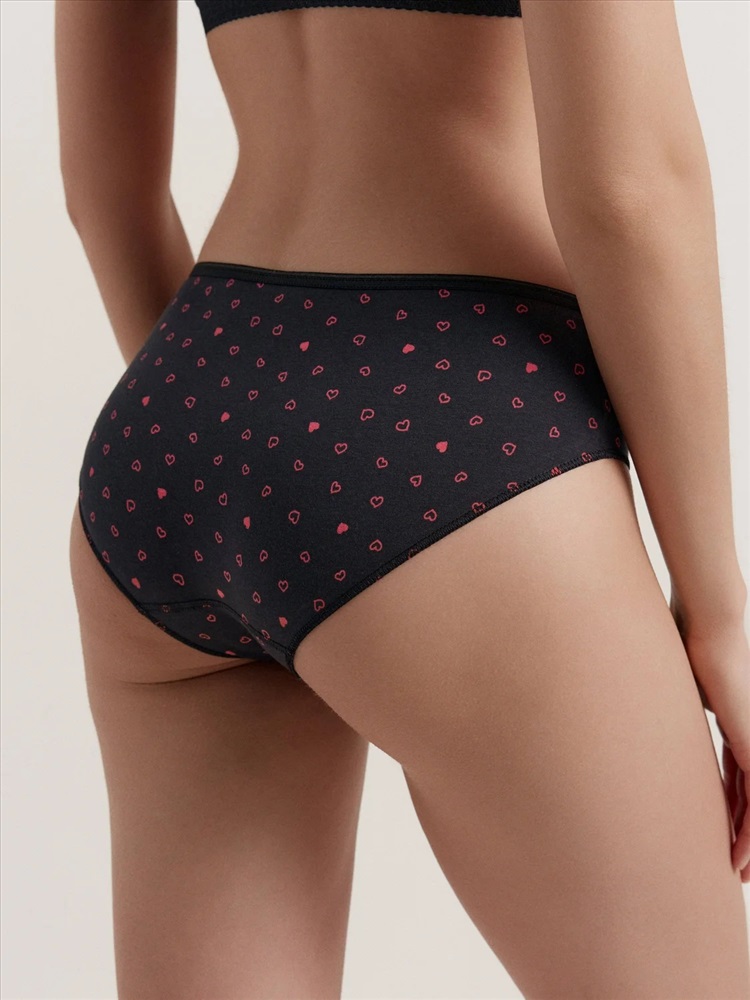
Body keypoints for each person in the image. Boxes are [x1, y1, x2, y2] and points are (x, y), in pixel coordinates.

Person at [57, 0, 750, 996]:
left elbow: (104, 187)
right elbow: (627, 186)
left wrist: (241, 441)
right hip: (453, 423)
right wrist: (719, 612)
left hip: (184, 406)